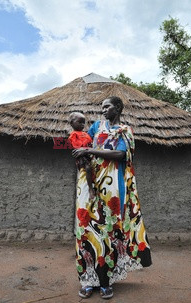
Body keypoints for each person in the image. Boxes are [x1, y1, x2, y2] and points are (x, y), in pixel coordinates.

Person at [72, 96, 152, 299]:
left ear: (117, 108)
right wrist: (79, 150)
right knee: (86, 229)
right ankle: (88, 280)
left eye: (107, 106)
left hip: (112, 188)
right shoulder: (97, 126)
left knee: (108, 231)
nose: (103, 110)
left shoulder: (125, 131)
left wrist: (89, 150)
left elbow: (120, 155)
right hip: (89, 185)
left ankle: (106, 281)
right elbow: (83, 141)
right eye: (102, 107)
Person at [68, 112, 95, 200]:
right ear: (72, 123)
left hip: (87, 153)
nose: (82, 125)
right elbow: (77, 146)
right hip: (81, 156)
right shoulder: (73, 135)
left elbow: (90, 142)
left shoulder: (85, 134)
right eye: (80, 122)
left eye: (83, 123)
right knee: (87, 168)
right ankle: (90, 189)